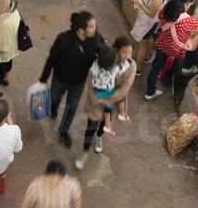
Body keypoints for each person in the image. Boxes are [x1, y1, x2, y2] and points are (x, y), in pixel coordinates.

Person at [40, 10, 104, 149]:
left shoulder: (95, 39)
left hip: (78, 82)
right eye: (91, 27)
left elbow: (104, 53)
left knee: (72, 107)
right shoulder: (63, 39)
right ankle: (53, 109)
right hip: (60, 79)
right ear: (81, 30)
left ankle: (63, 132)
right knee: (54, 98)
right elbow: (51, 59)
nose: (95, 29)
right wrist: (44, 78)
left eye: (95, 26)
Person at [75, 36, 136, 169]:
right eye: (124, 52)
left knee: (104, 123)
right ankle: (84, 153)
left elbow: (124, 89)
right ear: (116, 50)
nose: (128, 56)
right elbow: (91, 82)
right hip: (95, 103)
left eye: (130, 53)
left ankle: (99, 137)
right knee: (90, 128)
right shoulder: (104, 58)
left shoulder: (130, 66)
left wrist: (107, 101)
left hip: (111, 102)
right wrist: (98, 100)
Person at [144, 0, 198, 101]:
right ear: (188, 4)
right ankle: (176, 78)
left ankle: (150, 92)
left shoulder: (166, 9)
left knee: (156, 68)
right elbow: (196, 32)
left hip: (163, 43)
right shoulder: (191, 21)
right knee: (177, 64)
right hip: (177, 50)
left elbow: (161, 22)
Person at [127, 0, 169, 73]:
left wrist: (138, 1)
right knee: (148, 38)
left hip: (149, 22)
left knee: (142, 45)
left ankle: (138, 69)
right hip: (152, 22)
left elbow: (151, 14)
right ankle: (148, 56)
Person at [87, 43, 125, 135]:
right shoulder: (113, 70)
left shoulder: (94, 67)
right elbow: (122, 68)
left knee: (105, 110)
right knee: (112, 105)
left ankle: (107, 125)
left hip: (98, 92)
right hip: (108, 91)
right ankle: (120, 114)